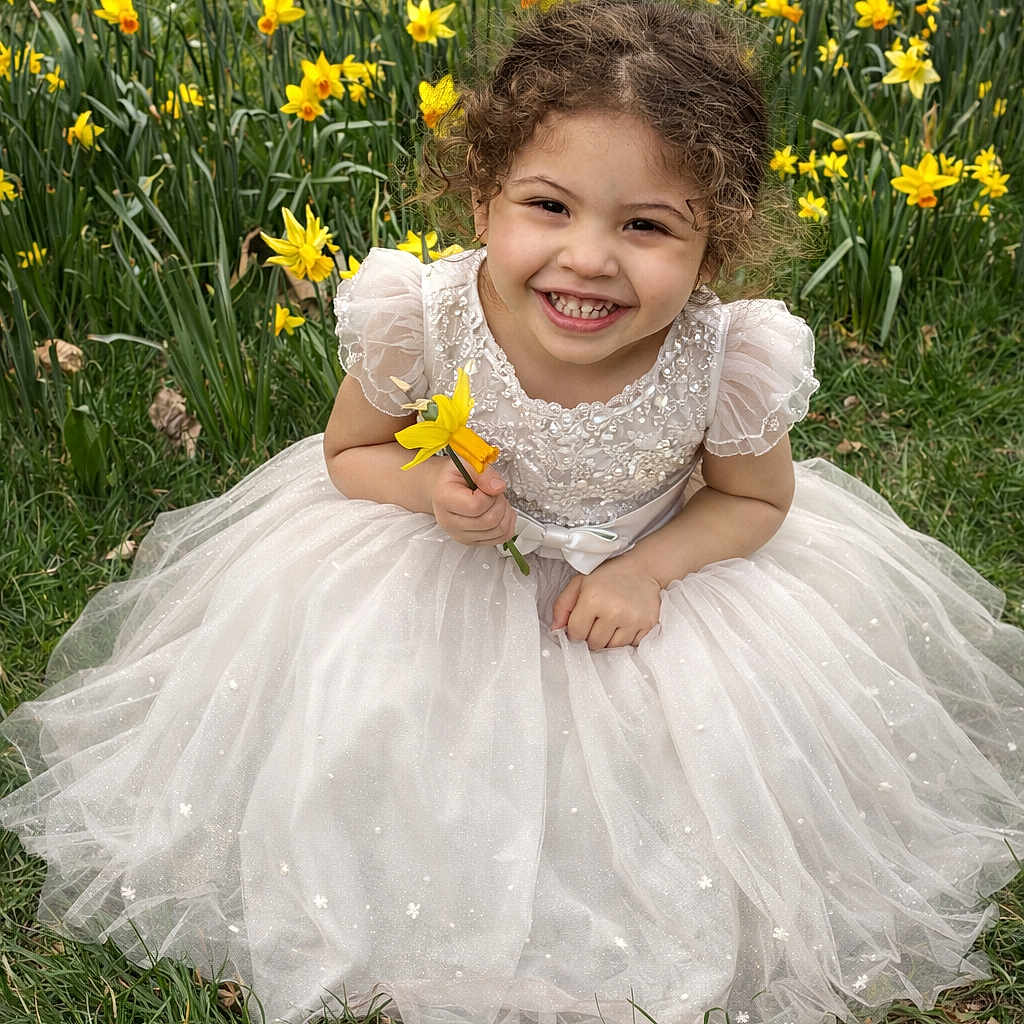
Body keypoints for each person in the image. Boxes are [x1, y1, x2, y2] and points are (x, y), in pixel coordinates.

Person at [2, 1, 1022, 1023]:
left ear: (714, 246)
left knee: (682, 780)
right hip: (443, 576)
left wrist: (647, 568)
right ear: (482, 201)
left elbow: (757, 502)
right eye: (549, 206)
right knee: (390, 734)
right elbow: (351, 450)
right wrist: (425, 489)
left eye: (646, 225)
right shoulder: (425, 316)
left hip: (646, 577)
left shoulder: (726, 356)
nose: (588, 258)